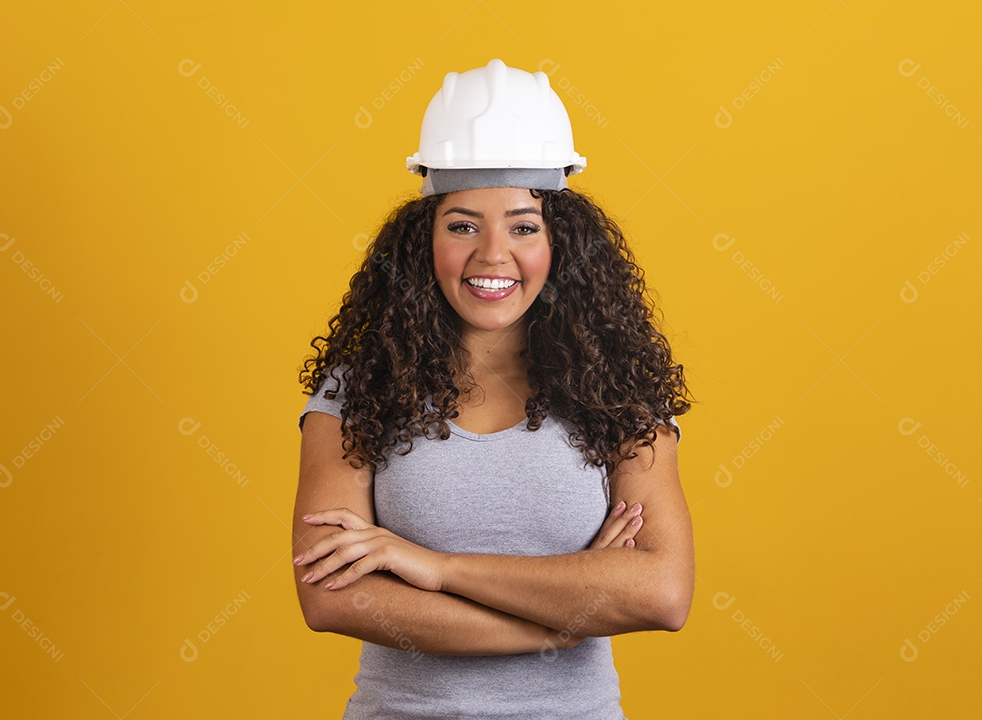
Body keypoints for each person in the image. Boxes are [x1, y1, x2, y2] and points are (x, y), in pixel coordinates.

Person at [292, 58, 694, 719]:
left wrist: (432, 566)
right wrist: (565, 621)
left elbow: (662, 592)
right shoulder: (357, 387)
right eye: (462, 224)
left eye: (522, 225)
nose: (492, 255)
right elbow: (334, 596)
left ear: (562, 241)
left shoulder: (619, 389)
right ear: (424, 238)